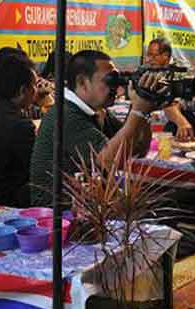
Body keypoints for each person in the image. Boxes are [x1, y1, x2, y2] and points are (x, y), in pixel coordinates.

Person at [30, 50, 162, 207]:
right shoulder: (64, 114)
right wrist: (138, 112)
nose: (116, 87)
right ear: (82, 82)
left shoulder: (98, 111)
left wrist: (143, 110)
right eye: (110, 81)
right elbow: (110, 162)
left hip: (88, 204)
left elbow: (137, 150)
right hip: (57, 213)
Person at [0, 54, 38, 207]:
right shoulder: (20, 126)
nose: (36, 91)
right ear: (22, 91)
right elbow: (37, 170)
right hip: (7, 205)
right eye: (34, 86)